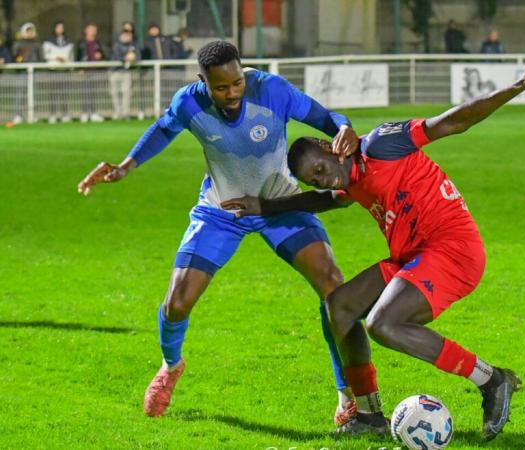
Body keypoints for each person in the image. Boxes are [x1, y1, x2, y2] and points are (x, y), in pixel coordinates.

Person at [223, 53, 525, 440]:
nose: (325, 179)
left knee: (382, 324)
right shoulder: (346, 180)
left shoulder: (382, 144)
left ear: (327, 144)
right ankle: (368, 416)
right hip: (414, 255)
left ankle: (490, 379)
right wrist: (265, 206)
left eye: (321, 169)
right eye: (315, 179)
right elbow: (326, 200)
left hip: (453, 249)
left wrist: (519, 85)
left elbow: (453, 121)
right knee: (339, 307)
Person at [76, 41, 369, 425]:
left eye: (236, 84)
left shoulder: (272, 90)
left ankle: (344, 394)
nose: (231, 94)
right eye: (221, 88)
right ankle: (170, 365)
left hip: (279, 204)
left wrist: (344, 127)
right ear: (204, 82)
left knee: (333, 286)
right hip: (222, 209)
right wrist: (126, 166)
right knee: (176, 303)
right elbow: (164, 128)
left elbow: (326, 116)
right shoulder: (189, 103)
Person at [43, 20, 74, 123]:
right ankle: (52, 114)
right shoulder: (48, 41)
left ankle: (65, 114)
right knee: (53, 94)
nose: (60, 29)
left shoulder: (68, 41)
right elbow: (45, 55)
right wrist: (56, 58)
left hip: (64, 70)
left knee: (64, 94)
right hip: (53, 70)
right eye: (58, 27)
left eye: (62, 27)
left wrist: (68, 64)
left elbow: (71, 56)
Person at [12, 22, 43, 124]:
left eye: (31, 31)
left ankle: (33, 114)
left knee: (34, 94)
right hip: (22, 72)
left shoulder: (37, 44)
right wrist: (18, 60)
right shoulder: (18, 44)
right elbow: (14, 56)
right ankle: (18, 115)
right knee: (20, 94)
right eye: (27, 31)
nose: (29, 33)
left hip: (33, 72)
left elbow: (41, 58)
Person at [77, 23, 106, 122]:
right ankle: (84, 113)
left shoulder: (98, 43)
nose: (92, 31)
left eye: (94, 29)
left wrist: (100, 55)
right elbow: (78, 56)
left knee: (94, 93)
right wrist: (79, 68)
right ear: (86, 31)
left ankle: (93, 112)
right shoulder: (81, 43)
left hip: (95, 70)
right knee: (85, 92)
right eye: (90, 29)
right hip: (85, 70)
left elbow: (104, 54)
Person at [110, 29, 140, 119]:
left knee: (126, 93)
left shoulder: (134, 45)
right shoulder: (116, 45)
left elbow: (138, 56)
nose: (128, 37)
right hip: (115, 72)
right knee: (114, 93)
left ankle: (125, 113)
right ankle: (117, 112)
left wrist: (133, 58)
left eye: (129, 35)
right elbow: (116, 56)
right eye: (126, 35)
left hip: (126, 72)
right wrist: (125, 58)